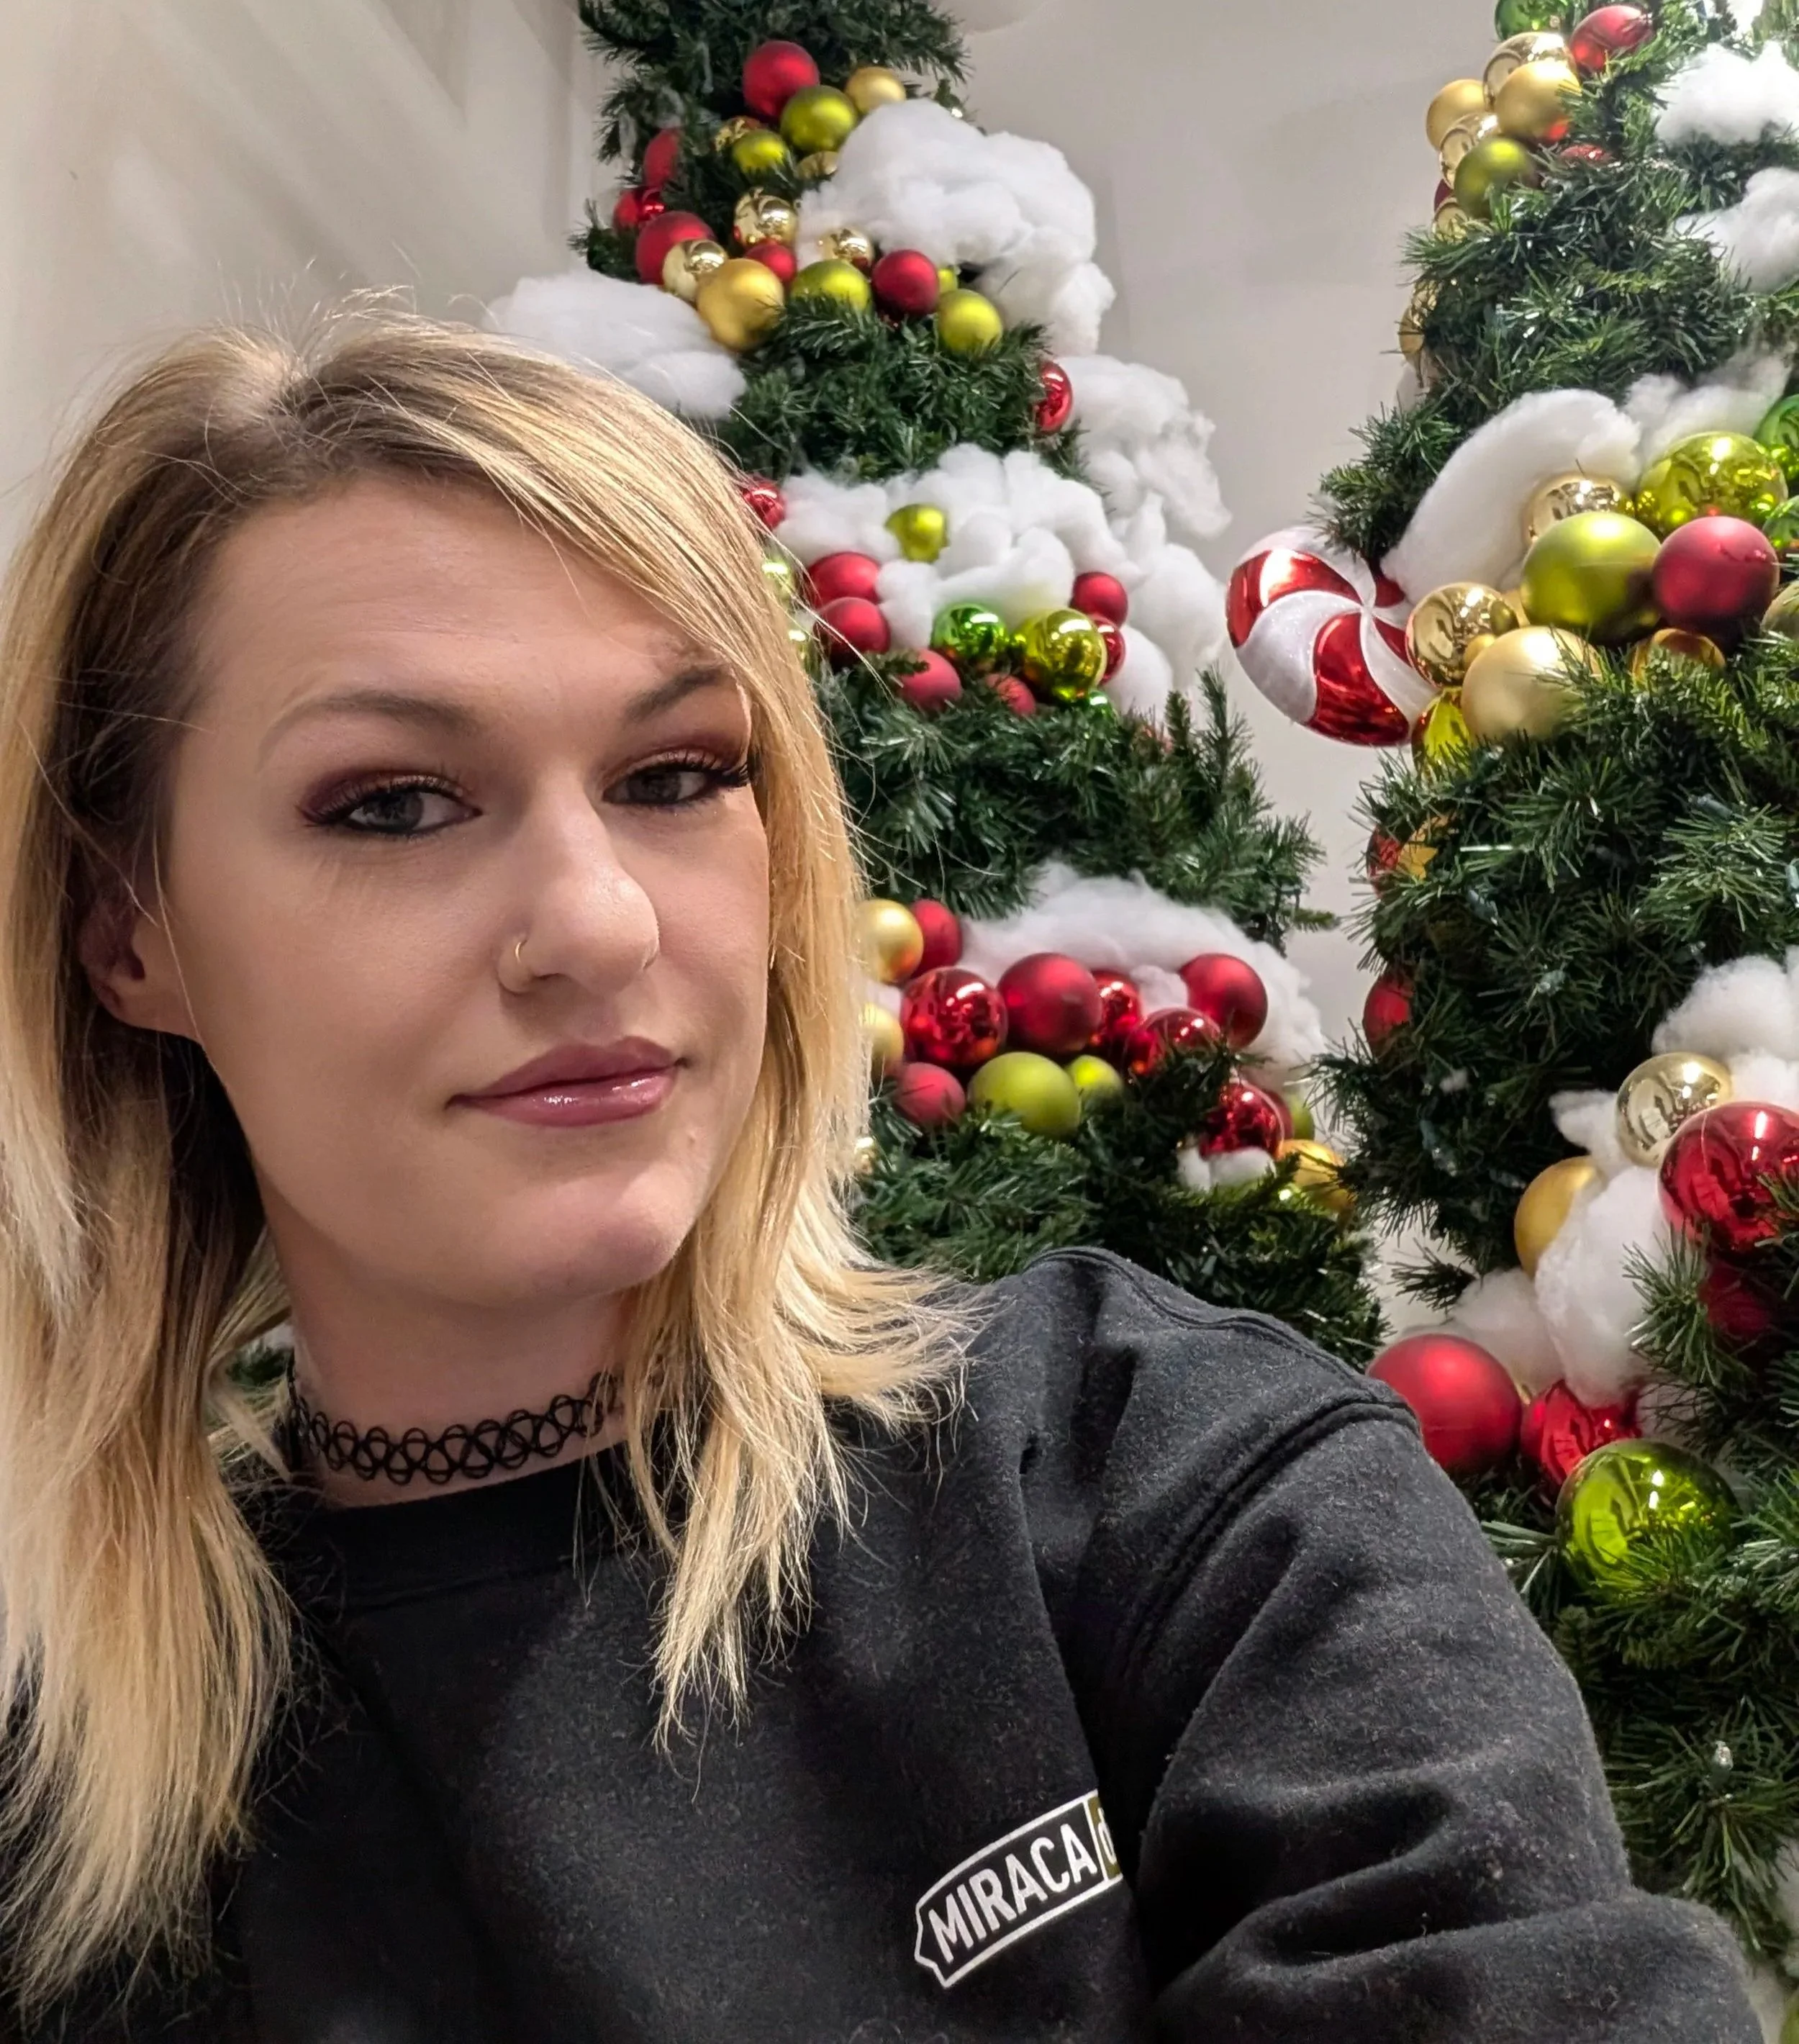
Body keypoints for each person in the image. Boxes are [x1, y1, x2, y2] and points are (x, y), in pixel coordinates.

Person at [0, 312, 1757, 2043]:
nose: (600, 923)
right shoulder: (66, 1809)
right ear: (127, 927)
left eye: (677, 774)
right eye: (391, 803)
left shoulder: (1173, 1491)